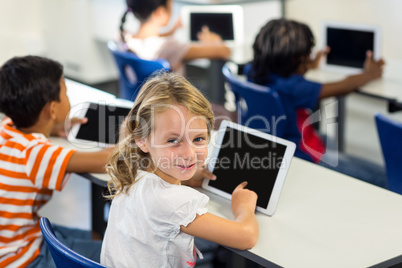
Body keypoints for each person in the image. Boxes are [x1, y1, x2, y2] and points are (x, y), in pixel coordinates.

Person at [100, 72, 259, 267]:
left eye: (198, 139)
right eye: (173, 141)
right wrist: (244, 207)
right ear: (141, 140)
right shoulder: (173, 201)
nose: (189, 154)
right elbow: (246, 236)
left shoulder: (133, 170)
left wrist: (185, 175)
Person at [0, 55, 115, 267]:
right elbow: (106, 160)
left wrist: (52, 126)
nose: (69, 97)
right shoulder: (37, 153)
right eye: (66, 93)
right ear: (52, 110)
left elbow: (33, 133)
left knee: (95, 236)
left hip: (12, 238)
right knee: (118, 253)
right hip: (21, 258)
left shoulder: (7, 128)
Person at [246, 18, 387, 188]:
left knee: (335, 145)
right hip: (307, 155)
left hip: (280, 144)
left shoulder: (253, 71)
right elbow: (342, 87)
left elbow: (283, 70)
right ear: (295, 61)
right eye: (306, 56)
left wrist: (308, 65)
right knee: (382, 177)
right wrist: (369, 74)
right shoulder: (294, 88)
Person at [119, 0, 231, 74]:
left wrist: (171, 31)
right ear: (160, 13)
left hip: (142, 103)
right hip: (172, 108)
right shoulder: (169, 47)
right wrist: (214, 40)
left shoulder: (123, 36)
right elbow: (225, 51)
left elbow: (148, 38)